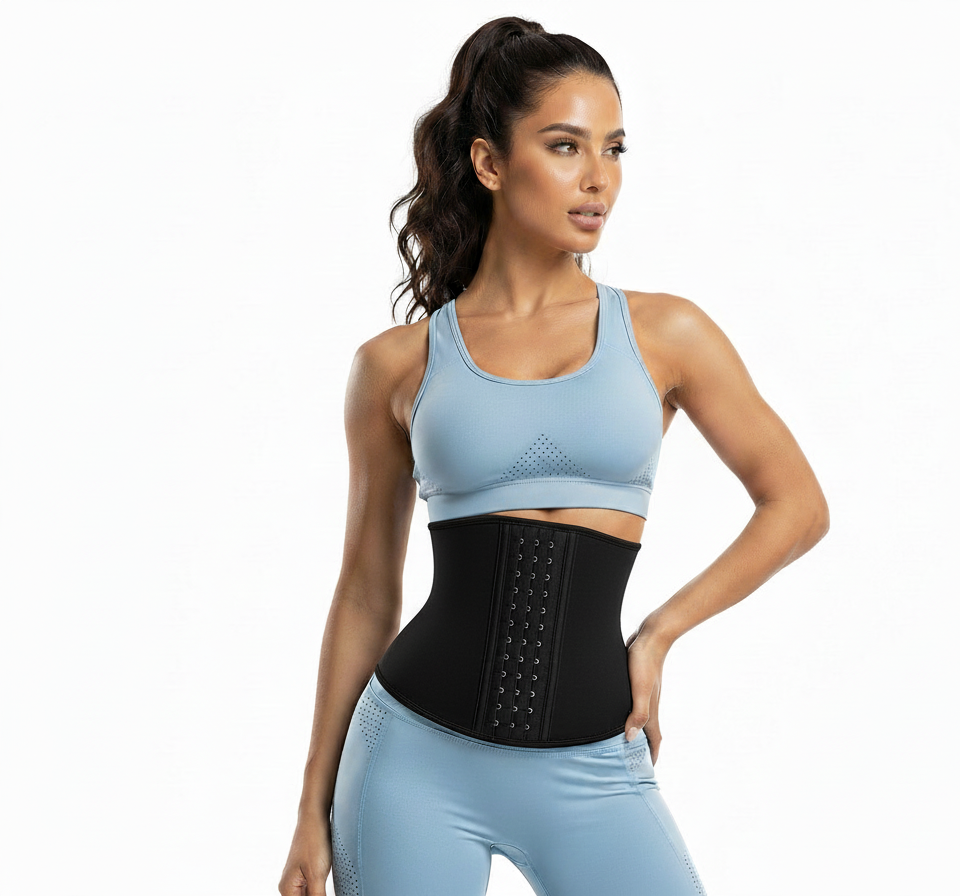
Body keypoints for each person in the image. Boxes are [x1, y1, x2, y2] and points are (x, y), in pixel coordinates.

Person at [278, 15, 829, 896]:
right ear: (491, 163)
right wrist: (311, 808)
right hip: (410, 761)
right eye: (566, 146)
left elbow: (797, 505)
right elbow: (367, 591)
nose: (598, 178)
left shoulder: (666, 332)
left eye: (614, 149)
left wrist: (659, 633)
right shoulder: (396, 365)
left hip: (593, 764)